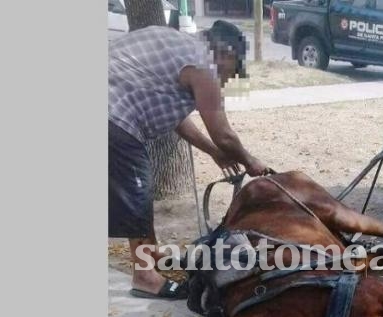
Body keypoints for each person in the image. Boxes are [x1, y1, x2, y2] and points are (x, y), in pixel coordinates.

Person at [109, 21, 269, 299]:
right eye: (233, 70)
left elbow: (180, 121)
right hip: (113, 116)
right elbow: (224, 134)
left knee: (140, 190)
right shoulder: (203, 64)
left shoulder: (181, 47)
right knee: (138, 189)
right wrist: (250, 160)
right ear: (227, 54)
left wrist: (213, 153)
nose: (228, 79)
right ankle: (145, 276)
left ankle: (152, 255)